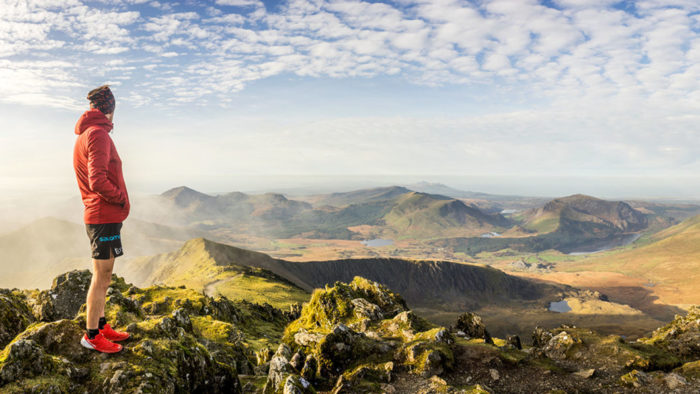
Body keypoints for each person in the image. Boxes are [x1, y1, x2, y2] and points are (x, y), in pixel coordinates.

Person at [73, 85, 131, 353]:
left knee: (105, 275)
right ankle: (92, 335)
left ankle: (102, 324)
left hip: (101, 214)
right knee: (101, 276)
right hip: (103, 214)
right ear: (110, 109)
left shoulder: (87, 134)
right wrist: (119, 197)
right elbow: (98, 179)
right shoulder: (97, 135)